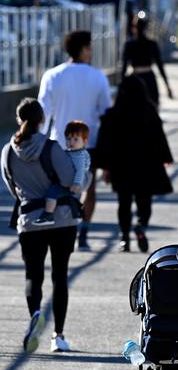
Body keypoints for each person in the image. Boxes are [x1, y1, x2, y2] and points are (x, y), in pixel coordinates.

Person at [1, 98, 79, 353]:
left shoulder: (8, 151)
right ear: (41, 120)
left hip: (29, 221)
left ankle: (35, 313)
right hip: (61, 220)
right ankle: (58, 336)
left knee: (33, 276)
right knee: (60, 276)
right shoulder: (52, 148)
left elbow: (12, 187)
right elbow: (68, 180)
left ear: (18, 119)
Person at [38, 30, 112, 251]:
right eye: (89, 47)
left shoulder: (52, 76)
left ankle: (61, 229)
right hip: (91, 142)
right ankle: (84, 232)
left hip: (59, 144)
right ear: (83, 49)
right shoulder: (98, 77)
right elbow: (105, 112)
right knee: (89, 189)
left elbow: (43, 113)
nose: (91, 52)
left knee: (57, 187)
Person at [94, 76, 173, 252]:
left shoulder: (113, 114)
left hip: (120, 166)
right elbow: (159, 136)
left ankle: (124, 238)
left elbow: (105, 142)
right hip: (146, 165)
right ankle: (141, 224)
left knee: (124, 203)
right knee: (145, 201)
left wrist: (105, 167)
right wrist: (165, 157)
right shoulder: (149, 111)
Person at [33, 120, 91, 226]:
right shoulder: (72, 152)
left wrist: (77, 183)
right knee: (64, 197)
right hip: (69, 181)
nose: (71, 142)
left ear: (85, 141)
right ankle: (73, 212)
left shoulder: (80, 155)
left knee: (52, 193)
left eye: (76, 139)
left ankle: (48, 214)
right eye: (68, 139)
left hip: (74, 183)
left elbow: (80, 171)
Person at [120, 11, 173, 107]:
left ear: (133, 28)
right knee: (152, 109)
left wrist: (121, 87)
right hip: (150, 79)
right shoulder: (152, 44)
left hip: (135, 79)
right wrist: (167, 85)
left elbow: (123, 68)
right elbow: (160, 66)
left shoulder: (129, 45)